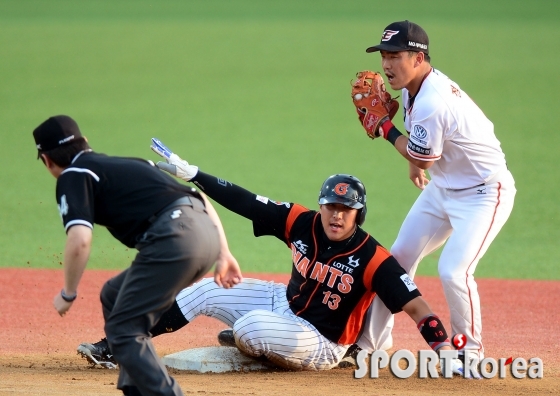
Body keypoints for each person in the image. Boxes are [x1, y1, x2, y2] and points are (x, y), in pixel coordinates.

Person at [78, 140, 460, 372]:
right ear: (321, 206)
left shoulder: (372, 257)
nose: (336, 214)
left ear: (359, 213)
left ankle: (255, 342)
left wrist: (444, 350)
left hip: (322, 341)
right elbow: (245, 201)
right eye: (330, 206)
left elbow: (418, 308)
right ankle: (116, 344)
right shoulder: (301, 220)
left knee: (250, 328)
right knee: (206, 291)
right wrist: (195, 173)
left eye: (346, 209)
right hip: (284, 303)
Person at [33, 115, 242, 396]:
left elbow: (80, 240)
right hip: (205, 235)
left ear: (47, 160)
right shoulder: (132, 163)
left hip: (174, 240)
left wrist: (68, 293)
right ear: (86, 143)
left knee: (123, 328)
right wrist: (223, 252)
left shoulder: (73, 174)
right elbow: (198, 197)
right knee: (113, 294)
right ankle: (136, 389)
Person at [353, 20, 516, 370]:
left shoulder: (433, 99)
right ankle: (370, 345)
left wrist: (384, 127)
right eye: (384, 55)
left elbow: (421, 152)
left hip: (484, 193)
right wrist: (417, 167)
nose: (386, 64)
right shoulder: (414, 86)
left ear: (417, 56)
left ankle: (469, 353)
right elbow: (425, 149)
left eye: (394, 55)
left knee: (454, 270)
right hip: (444, 187)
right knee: (395, 261)